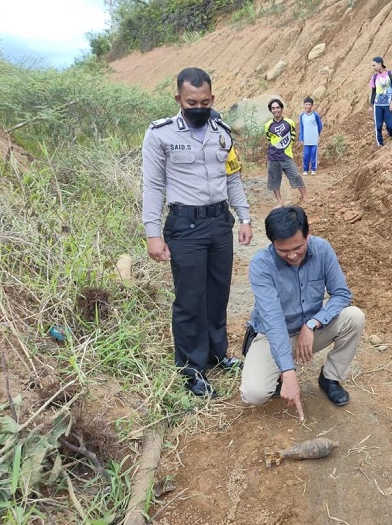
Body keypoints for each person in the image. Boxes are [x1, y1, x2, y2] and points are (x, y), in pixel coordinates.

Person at [142, 67, 253, 398]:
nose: (199, 107)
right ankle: (191, 368)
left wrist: (244, 217)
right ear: (178, 99)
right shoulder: (160, 134)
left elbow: (232, 178)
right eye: (192, 102)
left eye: (205, 101)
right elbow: (153, 185)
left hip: (220, 223)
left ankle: (217, 355)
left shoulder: (221, 131)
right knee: (191, 299)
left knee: (218, 294)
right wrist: (152, 233)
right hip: (184, 226)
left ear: (213, 98)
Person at [239, 206, 365, 420]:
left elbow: (342, 294)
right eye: (283, 251)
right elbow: (273, 320)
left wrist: (313, 323)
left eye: (298, 247)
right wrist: (289, 374)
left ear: (308, 234)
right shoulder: (261, 265)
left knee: (354, 317)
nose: (293, 255)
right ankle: (277, 376)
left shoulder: (322, 249)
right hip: (272, 335)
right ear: (272, 243)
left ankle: (330, 378)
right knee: (254, 393)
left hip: (310, 331)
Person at [264, 99, 307, 207]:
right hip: (273, 157)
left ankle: (305, 197)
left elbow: (293, 136)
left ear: (282, 109)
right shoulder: (268, 125)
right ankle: (280, 202)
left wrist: (285, 147)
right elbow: (269, 138)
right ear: (271, 110)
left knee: (296, 176)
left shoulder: (289, 122)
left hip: (286, 156)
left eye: (278, 107)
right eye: (273, 108)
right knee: (274, 180)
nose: (276, 110)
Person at [369, 56, 392, 146]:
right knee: (378, 126)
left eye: (374, 65)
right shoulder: (374, 77)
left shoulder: (391, 74)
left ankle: (391, 134)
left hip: (388, 104)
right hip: (377, 105)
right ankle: (380, 144)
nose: (373, 67)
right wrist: (371, 104)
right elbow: (373, 92)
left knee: (390, 126)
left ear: (380, 64)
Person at [298, 97, 323, 176]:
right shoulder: (302, 116)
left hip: (314, 138)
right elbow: (301, 127)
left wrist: (317, 133)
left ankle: (313, 169)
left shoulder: (315, 115)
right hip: (306, 139)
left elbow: (320, 125)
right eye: (306, 104)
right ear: (304, 105)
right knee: (306, 154)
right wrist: (301, 138)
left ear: (312, 105)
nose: (308, 106)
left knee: (313, 154)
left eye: (309, 104)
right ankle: (305, 169)